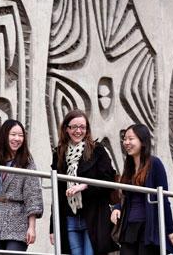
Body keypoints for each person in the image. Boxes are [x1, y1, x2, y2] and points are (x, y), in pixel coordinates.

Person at [49, 109, 119, 255]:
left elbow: (108, 181)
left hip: (94, 216)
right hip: (69, 217)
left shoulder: (97, 150)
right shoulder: (59, 154)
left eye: (82, 127)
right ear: (66, 129)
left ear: (87, 130)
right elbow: (57, 193)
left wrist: (84, 185)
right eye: (74, 127)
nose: (78, 131)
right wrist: (53, 227)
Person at [110, 123, 173, 255]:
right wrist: (117, 208)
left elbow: (163, 198)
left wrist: (171, 229)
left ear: (142, 141)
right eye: (125, 139)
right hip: (129, 227)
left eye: (131, 139)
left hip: (148, 228)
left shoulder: (155, 164)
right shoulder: (129, 166)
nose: (126, 142)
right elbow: (126, 196)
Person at [0, 119, 43, 252]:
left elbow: (33, 195)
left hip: (17, 221)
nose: (17, 138)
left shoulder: (27, 162)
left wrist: (32, 227)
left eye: (21, 135)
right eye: (13, 134)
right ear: (4, 135)